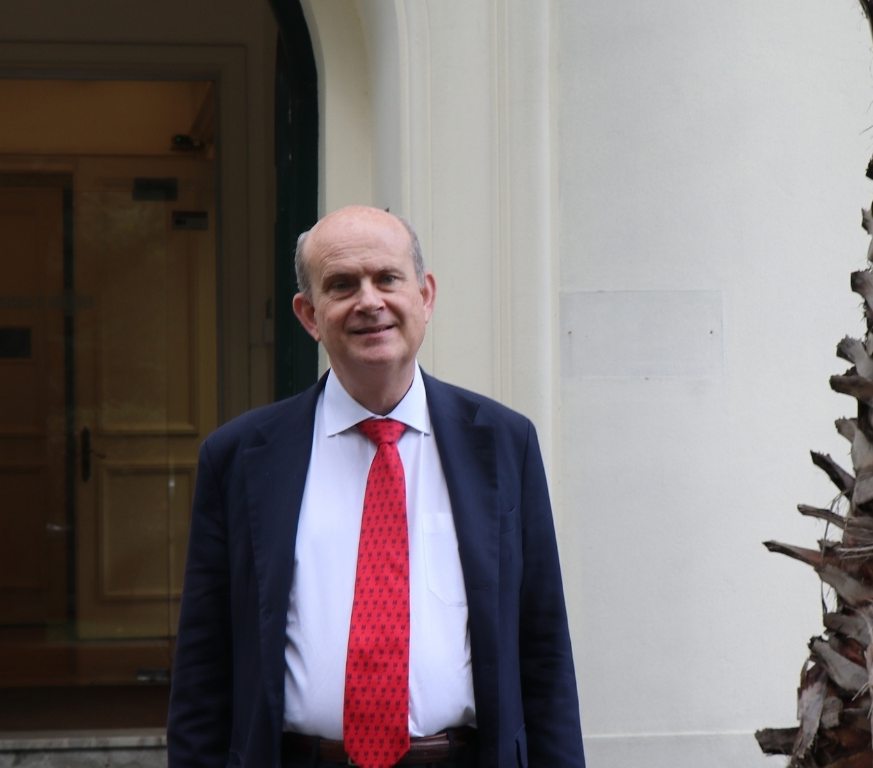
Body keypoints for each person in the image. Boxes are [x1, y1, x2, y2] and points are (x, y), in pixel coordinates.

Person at [167, 206, 584, 768]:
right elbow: (204, 664)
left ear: (425, 296)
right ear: (309, 315)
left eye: (388, 278)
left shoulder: (505, 444)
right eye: (342, 285)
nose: (369, 301)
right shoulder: (238, 458)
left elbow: (544, 650)